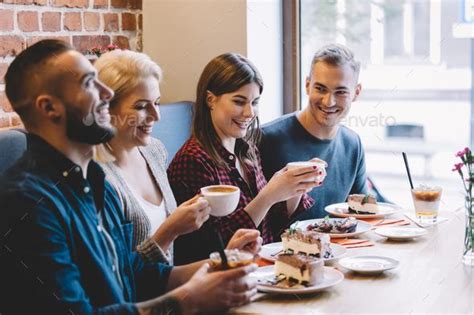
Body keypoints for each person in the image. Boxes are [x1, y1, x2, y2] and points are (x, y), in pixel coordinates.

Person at [0, 40, 257, 314]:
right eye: (89, 83)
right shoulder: (27, 202)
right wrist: (189, 299)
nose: (107, 93)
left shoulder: (95, 183)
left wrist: (217, 265)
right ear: (49, 108)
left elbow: (131, 274)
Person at [93, 49, 262, 265]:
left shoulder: (154, 151)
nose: (157, 116)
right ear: (105, 108)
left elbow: (169, 270)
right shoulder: (99, 178)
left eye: (157, 102)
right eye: (142, 106)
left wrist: (225, 259)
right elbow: (119, 277)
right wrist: (170, 231)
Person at [168, 53, 323, 265]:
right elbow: (214, 248)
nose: (250, 112)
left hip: (263, 269)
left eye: (255, 102)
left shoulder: (247, 150)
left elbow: (270, 226)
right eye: (239, 101)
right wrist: (267, 196)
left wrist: (296, 185)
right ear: (210, 99)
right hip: (224, 280)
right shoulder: (192, 161)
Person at [259, 43, 367, 220]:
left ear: (356, 93)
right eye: (320, 88)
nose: (328, 101)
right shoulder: (267, 139)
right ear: (307, 85)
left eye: (340, 92)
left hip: (340, 247)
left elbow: (363, 215)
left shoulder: (353, 144)